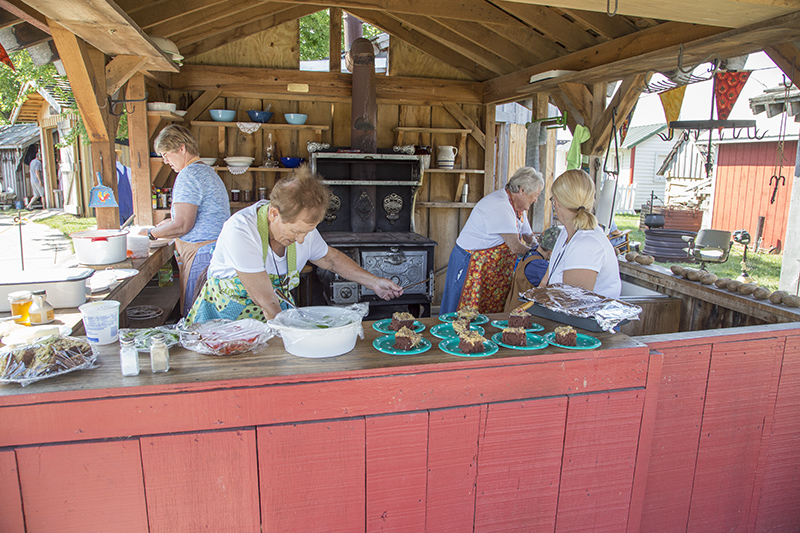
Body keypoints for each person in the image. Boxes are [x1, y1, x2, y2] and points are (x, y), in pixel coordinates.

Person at [185, 166, 404, 325]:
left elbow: (330, 259)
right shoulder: (241, 230)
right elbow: (268, 302)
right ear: (273, 214)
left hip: (274, 320)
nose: (301, 240)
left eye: (307, 232)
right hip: (225, 324)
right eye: (296, 231)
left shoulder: (303, 228)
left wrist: (374, 282)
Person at [140, 125, 230, 315]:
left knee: (197, 318)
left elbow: (182, 225)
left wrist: (149, 233)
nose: (165, 161)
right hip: (214, 251)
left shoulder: (188, 175)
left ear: (181, 148)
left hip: (202, 255)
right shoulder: (206, 172)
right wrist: (167, 224)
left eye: (166, 154)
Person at [440, 166, 544, 315]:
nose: (536, 199)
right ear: (522, 190)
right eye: (535, 194)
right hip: (470, 264)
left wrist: (537, 245)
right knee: (462, 313)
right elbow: (515, 247)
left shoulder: (517, 208)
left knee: (485, 314)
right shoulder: (501, 205)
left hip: (489, 269)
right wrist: (539, 255)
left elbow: (528, 236)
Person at [539, 169, 621, 298]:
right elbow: (545, 282)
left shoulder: (586, 244)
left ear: (556, 202)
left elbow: (571, 303)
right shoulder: (566, 233)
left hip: (583, 317)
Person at [503, 225, 560, 312]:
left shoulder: (532, 252)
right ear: (552, 252)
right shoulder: (539, 265)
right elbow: (558, 286)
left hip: (513, 308)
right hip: (521, 314)